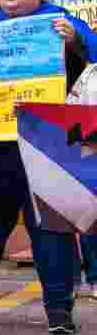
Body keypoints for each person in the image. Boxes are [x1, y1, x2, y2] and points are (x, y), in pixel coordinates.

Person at [0, 0, 96, 335]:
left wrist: (76, 40)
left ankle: (59, 311)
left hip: (48, 145)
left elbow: (95, 53)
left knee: (49, 227)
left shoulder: (62, 23)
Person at [65, 60, 97, 301]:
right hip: (90, 151)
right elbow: (70, 112)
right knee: (87, 219)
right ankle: (85, 279)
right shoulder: (89, 73)